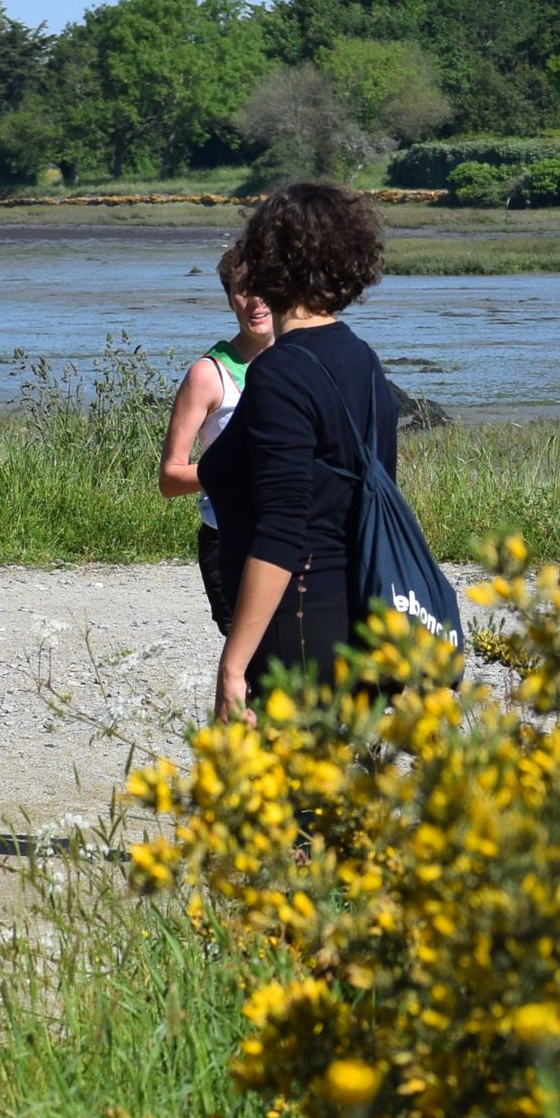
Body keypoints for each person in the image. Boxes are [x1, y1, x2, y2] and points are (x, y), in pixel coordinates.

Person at [197, 180, 397, 718]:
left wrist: (233, 664)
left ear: (272, 258)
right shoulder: (361, 358)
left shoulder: (280, 372)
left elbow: (283, 528)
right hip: (357, 609)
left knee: (288, 769)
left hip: (298, 618)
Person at [157, 251, 275, 633]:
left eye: (264, 287)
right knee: (254, 659)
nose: (255, 301)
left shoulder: (304, 360)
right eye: (243, 290)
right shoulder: (208, 375)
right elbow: (170, 478)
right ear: (230, 299)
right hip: (229, 540)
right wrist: (241, 468)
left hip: (294, 536)